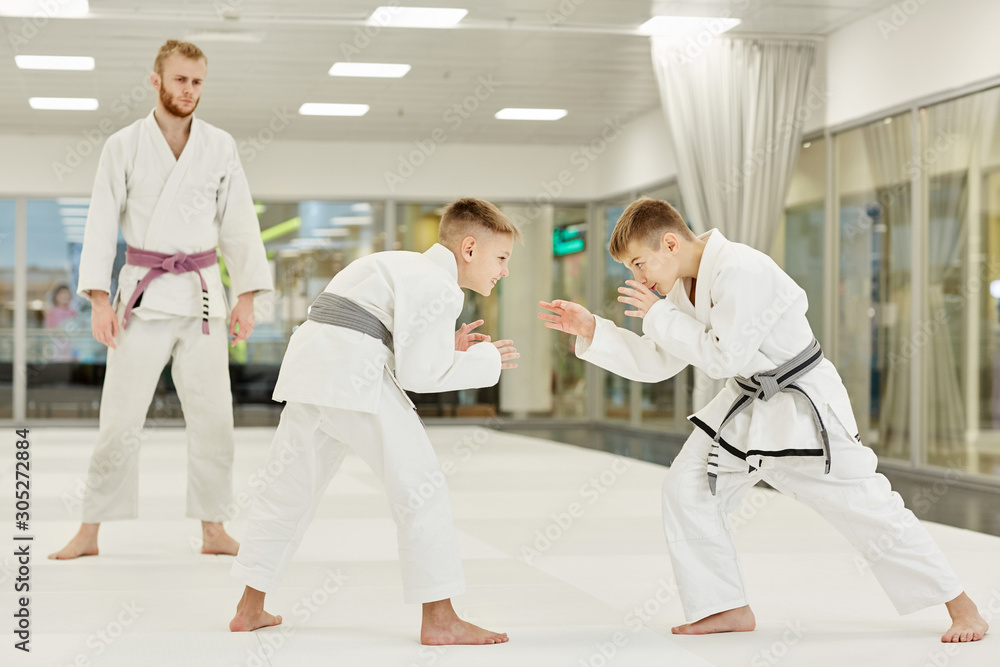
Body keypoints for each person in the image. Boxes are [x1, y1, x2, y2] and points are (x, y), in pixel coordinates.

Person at [538, 198, 989, 643]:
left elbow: (722, 355)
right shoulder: (682, 285)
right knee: (687, 486)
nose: (638, 278)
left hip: (801, 406)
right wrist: (594, 330)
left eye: (639, 264)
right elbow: (661, 360)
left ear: (670, 244)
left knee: (866, 505)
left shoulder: (741, 270)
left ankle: (961, 605)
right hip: (747, 402)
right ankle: (725, 606)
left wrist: (659, 315)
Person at [229, 198, 519, 645]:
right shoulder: (441, 287)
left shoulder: (396, 263)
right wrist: (484, 359)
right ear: (469, 248)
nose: (504, 270)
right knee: (422, 487)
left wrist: (447, 347)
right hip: (353, 377)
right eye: (501, 257)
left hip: (312, 372)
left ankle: (249, 608)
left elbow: (390, 337)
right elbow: (420, 375)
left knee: (287, 489)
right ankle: (440, 619)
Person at [49, 40, 273, 560]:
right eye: (179, 80)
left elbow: (240, 225)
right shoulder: (123, 145)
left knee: (215, 419)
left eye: (197, 82)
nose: (189, 91)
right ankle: (90, 530)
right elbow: (102, 223)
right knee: (119, 419)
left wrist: (246, 297)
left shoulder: (220, 146)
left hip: (201, 303)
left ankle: (213, 528)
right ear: (156, 80)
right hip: (141, 300)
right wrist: (100, 301)